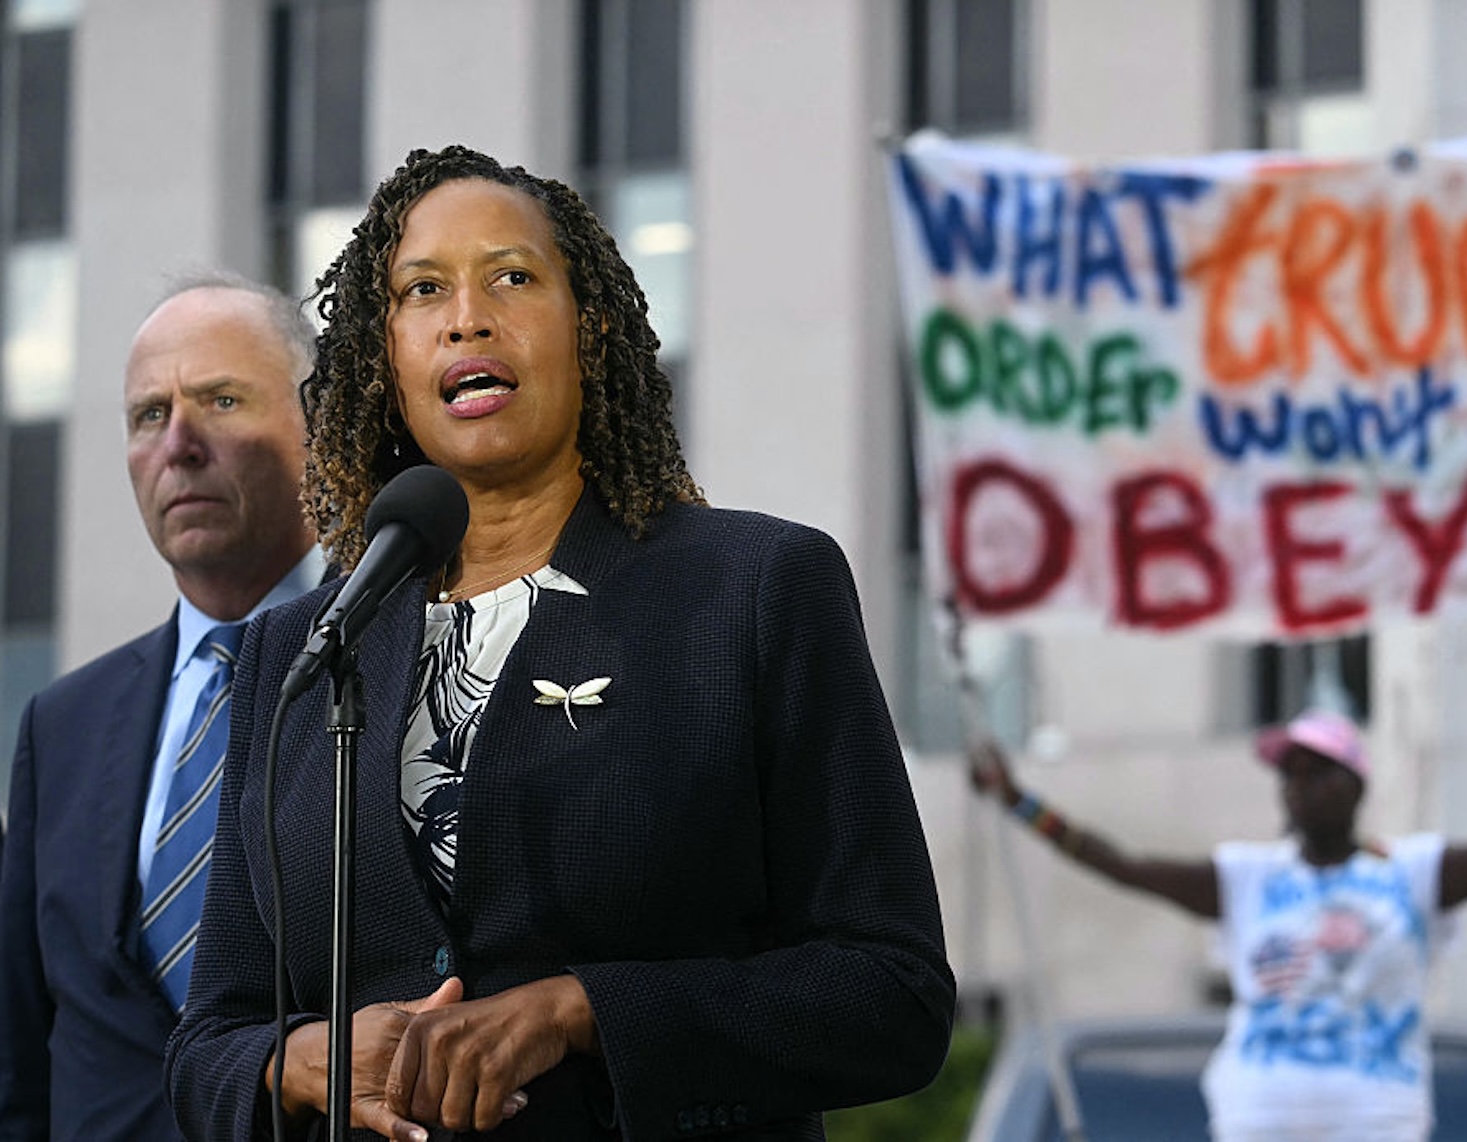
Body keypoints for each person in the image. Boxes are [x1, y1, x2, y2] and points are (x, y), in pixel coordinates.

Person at [165, 145, 955, 1141]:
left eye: (512, 277)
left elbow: (893, 994)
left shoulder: (754, 590)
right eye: (423, 290)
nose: (466, 318)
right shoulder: (303, 647)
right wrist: (297, 1061)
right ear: (385, 356)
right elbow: (207, 1043)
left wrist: (582, 1012)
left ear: (592, 326)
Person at [969, 701, 1467, 1142]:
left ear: (1356, 785)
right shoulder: (1249, 878)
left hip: (1377, 1119)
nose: (1298, 787)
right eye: (1290, 774)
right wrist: (1018, 800)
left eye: (1317, 772)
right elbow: (1125, 865)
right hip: (1259, 1119)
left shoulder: (1411, 873)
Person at [0, 273, 322, 1141]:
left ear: (317, 427)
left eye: (222, 401)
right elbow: (20, 1061)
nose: (179, 443)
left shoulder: (401, 663)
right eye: (150, 414)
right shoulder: (60, 727)